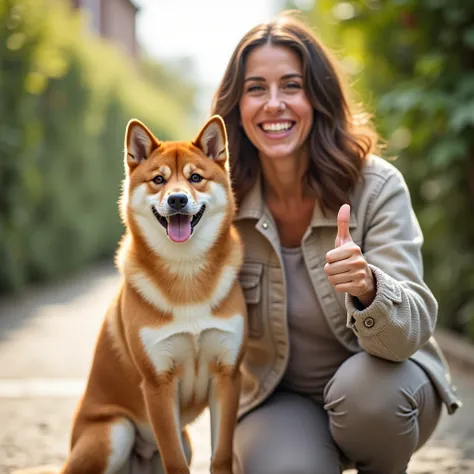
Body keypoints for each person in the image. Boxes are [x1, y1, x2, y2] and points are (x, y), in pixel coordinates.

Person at [209, 11, 462, 474]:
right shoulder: (220, 203)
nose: (273, 104)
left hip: (384, 384)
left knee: (364, 398)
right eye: (255, 88)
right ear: (236, 107)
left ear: (318, 97)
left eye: (292, 85)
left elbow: (411, 330)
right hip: (279, 400)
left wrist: (368, 288)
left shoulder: (376, 186)